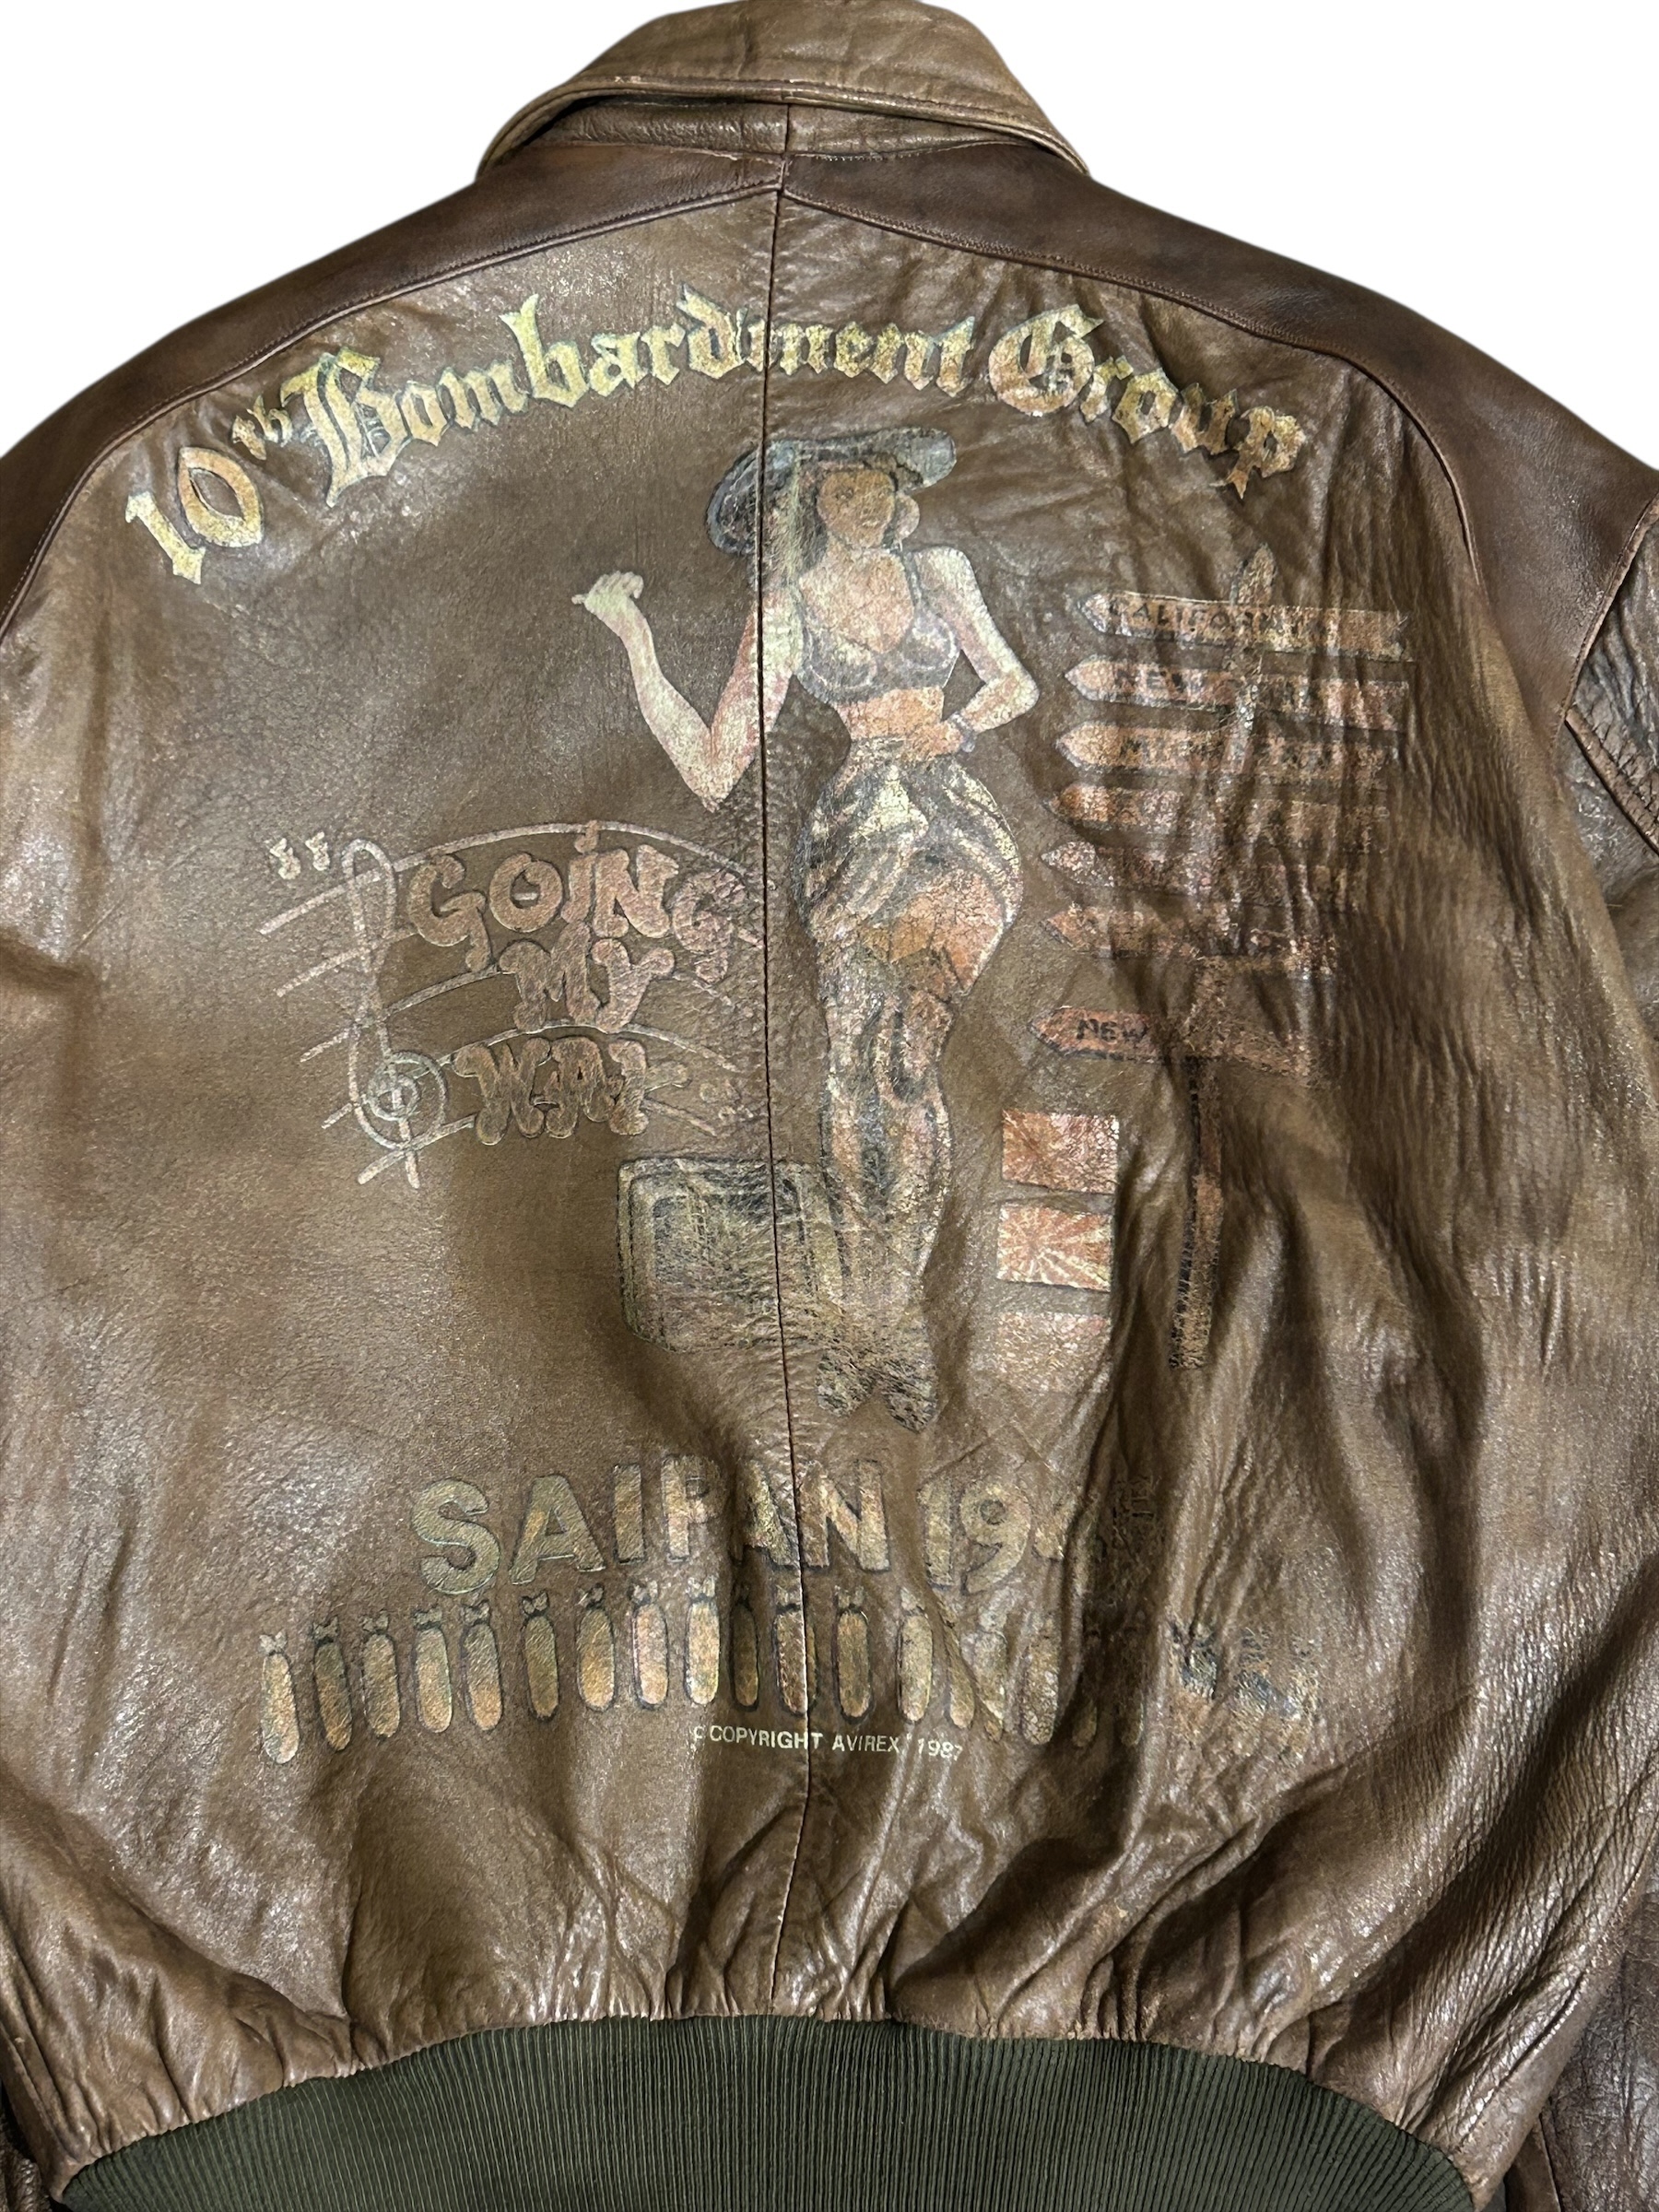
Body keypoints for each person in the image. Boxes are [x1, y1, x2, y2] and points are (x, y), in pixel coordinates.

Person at [576, 429, 1037, 1427]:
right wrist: (636, 643)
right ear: (808, 505)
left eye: (874, 484)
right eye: (837, 490)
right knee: (855, 1078)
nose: (860, 503)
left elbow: (1014, 682)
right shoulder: (783, 612)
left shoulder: (942, 571)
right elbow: (713, 767)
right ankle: (869, 1319)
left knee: (901, 1068)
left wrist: (957, 727)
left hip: (952, 832)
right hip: (859, 840)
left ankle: (887, 1321)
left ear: (896, 489)